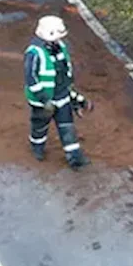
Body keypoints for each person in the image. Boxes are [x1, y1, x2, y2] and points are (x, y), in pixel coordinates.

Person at [24, 16, 91, 169]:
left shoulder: (61, 47)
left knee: (67, 127)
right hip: (43, 101)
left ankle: (75, 159)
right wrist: (44, 99)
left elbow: (65, 75)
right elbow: (31, 79)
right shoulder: (34, 53)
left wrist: (75, 99)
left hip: (61, 97)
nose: (59, 39)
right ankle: (37, 148)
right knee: (40, 126)